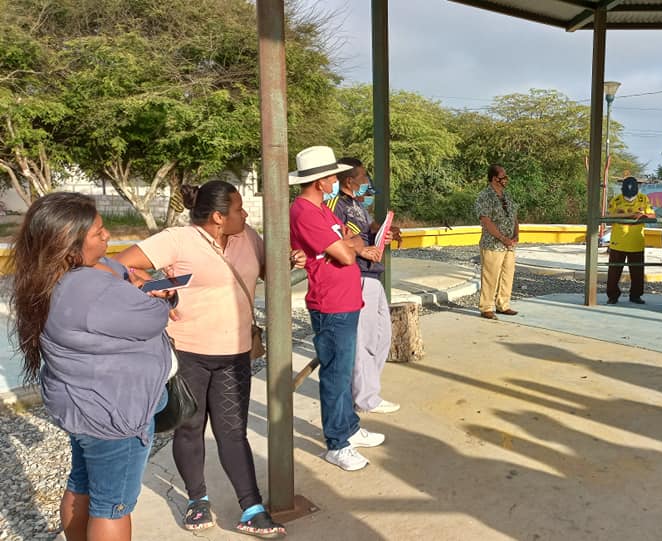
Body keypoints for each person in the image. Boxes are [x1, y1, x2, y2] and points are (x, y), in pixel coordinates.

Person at [115, 181, 294, 537]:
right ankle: (197, 499)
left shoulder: (248, 238)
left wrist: (287, 261)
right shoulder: (178, 240)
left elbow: (265, 272)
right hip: (187, 353)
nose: (245, 214)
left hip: (235, 354)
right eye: (238, 209)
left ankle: (252, 508)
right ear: (217, 217)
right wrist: (153, 289)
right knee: (189, 428)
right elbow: (119, 266)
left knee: (233, 432)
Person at [5, 193, 173, 541]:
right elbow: (151, 319)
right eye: (98, 232)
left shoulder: (50, 275)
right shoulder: (91, 291)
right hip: (112, 412)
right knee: (112, 505)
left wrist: (129, 280)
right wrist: (163, 295)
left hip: (80, 404)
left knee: (81, 483)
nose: (108, 235)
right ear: (68, 244)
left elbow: (113, 272)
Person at [289, 145, 386, 472]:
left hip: (344, 299)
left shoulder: (321, 210)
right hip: (330, 302)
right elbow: (346, 252)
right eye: (332, 176)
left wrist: (349, 244)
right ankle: (337, 443)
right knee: (335, 374)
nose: (335, 181)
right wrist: (350, 245)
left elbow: (350, 239)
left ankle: (349, 428)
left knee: (343, 372)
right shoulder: (304, 212)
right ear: (320, 181)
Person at [327, 157, 400, 414]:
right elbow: (336, 240)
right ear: (350, 180)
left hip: (372, 274)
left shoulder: (357, 204)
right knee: (364, 338)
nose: (367, 181)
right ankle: (365, 397)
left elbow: (368, 228)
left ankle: (368, 389)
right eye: (363, 177)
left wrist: (384, 232)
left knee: (381, 336)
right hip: (356, 275)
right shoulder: (336, 205)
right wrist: (360, 247)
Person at [476, 164, 518, 320]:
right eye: (503, 177)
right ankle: (486, 307)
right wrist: (502, 238)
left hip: (509, 245)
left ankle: (503, 305)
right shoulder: (484, 196)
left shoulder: (507, 196)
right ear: (494, 178)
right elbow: (486, 221)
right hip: (493, 244)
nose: (506, 179)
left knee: (507, 275)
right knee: (490, 276)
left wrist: (516, 235)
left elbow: (514, 216)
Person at [605, 176, 655, 304]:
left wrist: (643, 215)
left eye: (632, 195)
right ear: (622, 190)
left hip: (636, 242)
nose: (630, 198)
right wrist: (631, 215)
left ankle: (636, 296)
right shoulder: (616, 200)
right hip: (618, 242)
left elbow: (652, 215)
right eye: (627, 195)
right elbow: (609, 216)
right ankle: (612, 296)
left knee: (637, 272)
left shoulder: (643, 199)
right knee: (614, 272)